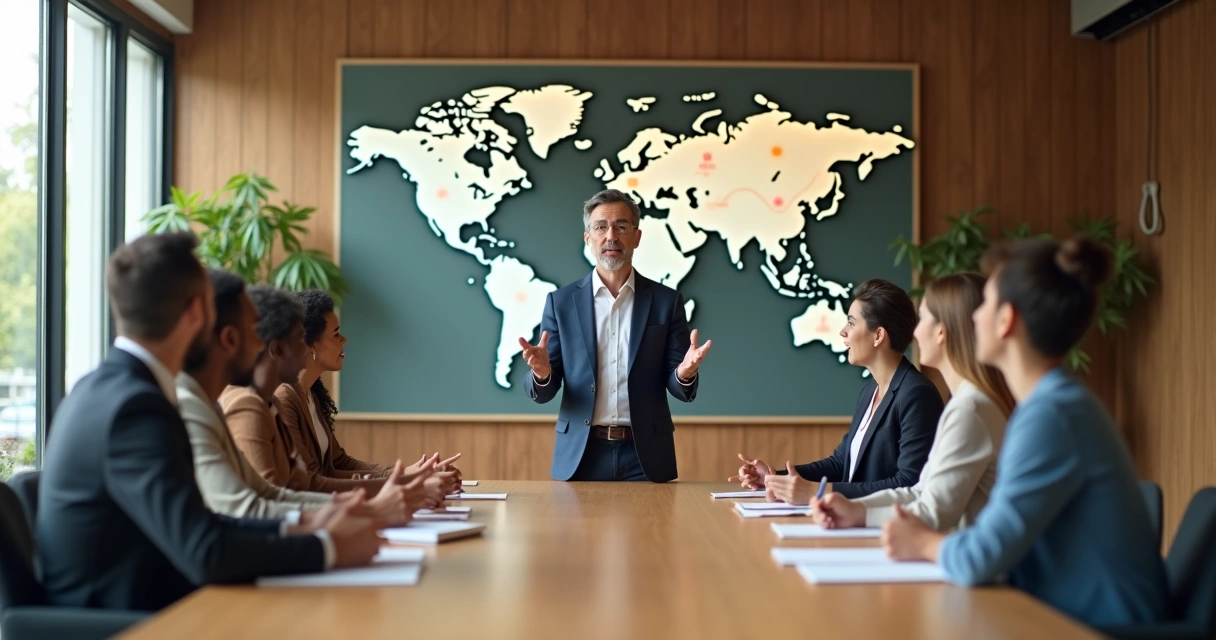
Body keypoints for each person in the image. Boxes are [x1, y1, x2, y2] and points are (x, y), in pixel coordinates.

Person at [37, 233, 381, 612]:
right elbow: (205, 548)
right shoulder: (136, 409)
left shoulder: (109, 389)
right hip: (126, 623)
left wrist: (314, 527)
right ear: (198, 313)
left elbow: (207, 526)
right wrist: (326, 546)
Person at [881, 236, 1168, 627]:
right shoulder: (1052, 405)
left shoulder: (1052, 416)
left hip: (1099, 628)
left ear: (1006, 320)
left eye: (984, 305)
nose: (973, 317)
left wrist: (923, 543)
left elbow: (980, 557)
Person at [178, 269, 429, 524]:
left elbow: (277, 493)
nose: (258, 344)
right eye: (301, 340)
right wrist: (374, 506)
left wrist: (377, 498)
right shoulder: (244, 404)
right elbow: (261, 507)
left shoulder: (269, 402)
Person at [519, 189, 712, 482]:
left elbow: (679, 388)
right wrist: (543, 373)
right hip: (581, 454)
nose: (611, 236)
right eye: (600, 227)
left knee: (656, 531)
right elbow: (543, 392)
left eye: (621, 227)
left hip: (645, 454)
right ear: (588, 239)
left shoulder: (665, 301)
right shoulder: (561, 303)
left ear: (636, 237)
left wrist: (684, 373)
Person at [809, 273, 1013, 530]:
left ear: (942, 332)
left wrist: (857, 513)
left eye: (923, 318)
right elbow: (919, 492)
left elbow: (932, 511)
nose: (914, 331)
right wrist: (854, 508)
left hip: (960, 563)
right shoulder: (965, 403)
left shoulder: (969, 409)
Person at [221, 285, 448, 502]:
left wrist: (402, 481)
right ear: (279, 349)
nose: (304, 349)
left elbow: (304, 482)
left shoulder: (282, 402)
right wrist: (400, 487)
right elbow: (280, 500)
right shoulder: (256, 404)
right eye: (300, 340)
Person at [732, 279, 943, 499]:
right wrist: (774, 478)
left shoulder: (916, 394)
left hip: (885, 526)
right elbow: (841, 464)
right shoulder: (870, 391)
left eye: (851, 323)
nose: (843, 332)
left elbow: (909, 483)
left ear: (878, 335)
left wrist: (819, 492)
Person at [275, 289, 461, 495]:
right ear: (311, 345)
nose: (343, 340)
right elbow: (311, 482)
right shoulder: (285, 398)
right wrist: (406, 480)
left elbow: (338, 462)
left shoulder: (311, 394)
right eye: (336, 334)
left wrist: (408, 472)